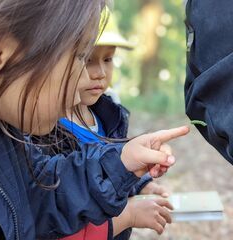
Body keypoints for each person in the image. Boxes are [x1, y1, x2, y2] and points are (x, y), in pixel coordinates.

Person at [0, 1, 190, 239]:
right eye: (80, 57)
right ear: (0, 52)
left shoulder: (6, 140)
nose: (77, 93)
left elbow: (41, 197)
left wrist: (122, 162)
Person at [59, 13, 173, 240]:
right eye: (87, 59)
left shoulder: (109, 116)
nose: (100, 72)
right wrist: (128, 216)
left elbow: (115, 166)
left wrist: (140, 186)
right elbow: (59, 213)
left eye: (108, 60)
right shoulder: (48, 132)